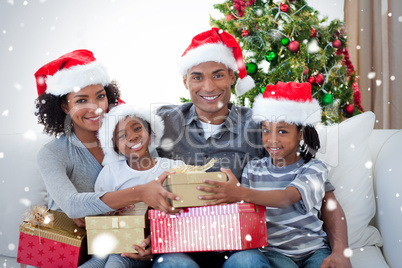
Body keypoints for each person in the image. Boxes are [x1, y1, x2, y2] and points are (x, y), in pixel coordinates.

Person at [156, 28, 352, 267]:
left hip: (238, 246)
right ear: (185, 81)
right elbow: (118, 142)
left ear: (231, 76)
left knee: (247, 262)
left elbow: (323, 197)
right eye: (197, 77)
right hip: (181, 243)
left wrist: (340, 250)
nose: (208, 87)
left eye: (217, 75)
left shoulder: (261, 124)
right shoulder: (161, 122)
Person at [34, 49, 181, 267]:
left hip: (129, 245)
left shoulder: (131, 139)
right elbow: (73, 206)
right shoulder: (52, 154)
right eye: (82, 100)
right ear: (65, 106)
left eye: (100, 96)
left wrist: (156, 242)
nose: (96, 108)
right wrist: (139, 192)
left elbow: (160, 190)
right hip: (77, 248)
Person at [204, 81, 332, 267]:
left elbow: (287, 197)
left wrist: (239, 192)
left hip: (313, 250)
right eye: (266, 130)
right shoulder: (253, 169)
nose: (272, 139)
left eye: (282, 131)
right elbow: (247, 213)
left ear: (300, 134)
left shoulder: (314, 168)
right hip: (273, 252)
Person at [90, 103, 185, 267]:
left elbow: (188, 211)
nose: (132, 137)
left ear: (150, 132)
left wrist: (157, 242)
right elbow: (100, 215)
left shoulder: (173, 168)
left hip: (167, 246)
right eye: (121, 136)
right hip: (125, 246)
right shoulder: (111, 173)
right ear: (115, 147)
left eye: (137, 128)